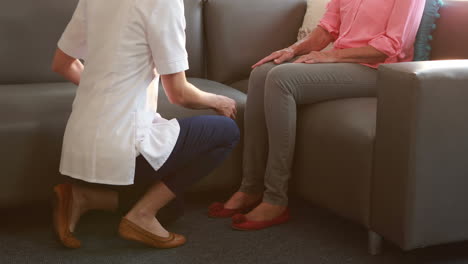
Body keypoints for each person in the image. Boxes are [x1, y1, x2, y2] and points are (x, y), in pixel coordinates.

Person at [208, 0, 425, 230]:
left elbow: (393, 45)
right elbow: (326, 30)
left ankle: (275, 198)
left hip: (380, 71)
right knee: (262, 73)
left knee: (282, 79)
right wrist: (291, 50)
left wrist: (332, 57)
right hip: (345, 64)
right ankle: (250, 187)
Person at [52, 0, 240, 249]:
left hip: (78, 148)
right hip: (121, 153)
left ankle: (82, 197)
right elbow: (179, 93)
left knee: (172, 208)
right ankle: (141, 216)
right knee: (226, 132)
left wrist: (106, 92)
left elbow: (62, 63)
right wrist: (219, 101)